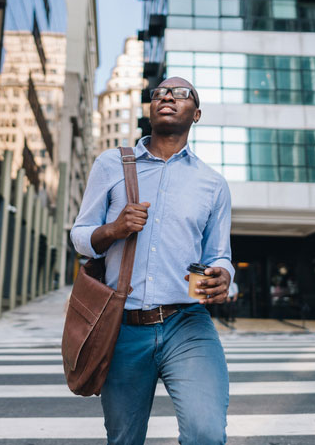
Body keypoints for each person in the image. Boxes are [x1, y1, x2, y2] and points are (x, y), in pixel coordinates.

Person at [71, 77, 233, 444]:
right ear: (150, 108)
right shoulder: (112, 163)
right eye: (159, 92)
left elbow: (219, 254)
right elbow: (80, 236)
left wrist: (224, 275)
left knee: (206, 432)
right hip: (122, 326)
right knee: (124, 439)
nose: (167, 97)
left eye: (180, 93)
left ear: (197, 114)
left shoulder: (213, 184)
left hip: (186, 323)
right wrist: (113, 229)